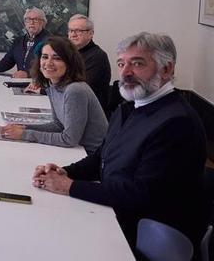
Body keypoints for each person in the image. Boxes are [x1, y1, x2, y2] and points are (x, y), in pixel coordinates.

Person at [32, 32, 207, 249]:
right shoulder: (130, 107)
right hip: (116, 212)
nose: (125, 72)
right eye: (121, 63)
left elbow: (140, 195)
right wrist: (65, 172)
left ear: (166, 69)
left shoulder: (177, 122)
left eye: (137, 63)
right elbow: (102, 156)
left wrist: (70, 186)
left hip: (145, 233)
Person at [0, 37, 107, 154]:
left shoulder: (75, 90)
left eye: (57, 58)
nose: (48, 63)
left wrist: (25, 134)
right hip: (78, 151)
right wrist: (24, 127)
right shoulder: (52, 85)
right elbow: (58, 125)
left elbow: (69, 140)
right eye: (45, 57)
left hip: (93, 157)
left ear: (69, 63)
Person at [66, 14, 112, 113]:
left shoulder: (98, 56)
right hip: (73, 106)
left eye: (78, 31)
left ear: (91, 33)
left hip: (90, 113)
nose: (73, 35)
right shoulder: (70, 53)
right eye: (71, 30)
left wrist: (44, 90)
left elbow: (79, 88)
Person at [0, 7, 50, 77]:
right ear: (25, 23)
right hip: (20, 84)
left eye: (35, 20)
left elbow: (51, 66)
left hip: (42, 84)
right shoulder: (18, 41)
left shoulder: (50, 41)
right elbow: (8, 61)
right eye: (28, 19)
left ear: (43, 23)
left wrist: (28, 74)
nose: (31, 23)